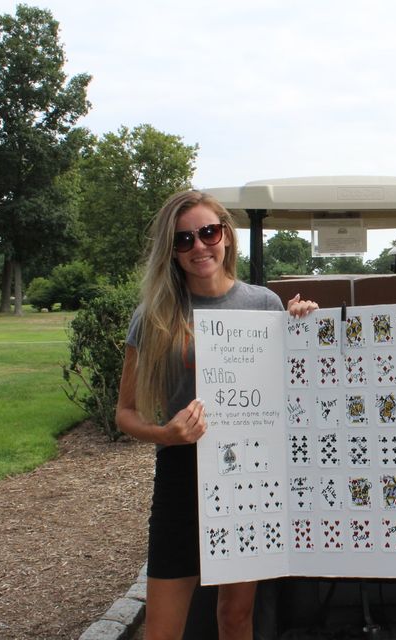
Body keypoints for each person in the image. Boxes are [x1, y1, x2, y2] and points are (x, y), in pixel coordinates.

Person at [116, 190, 318, 640]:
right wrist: (166, 434)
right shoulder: (155, 315)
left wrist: (304, 326)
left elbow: (297, 391)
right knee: (162, 631)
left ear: (226, 235)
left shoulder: (265, 305)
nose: (199, 246)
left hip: (248, 471)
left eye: (208, 232)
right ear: (171, 250)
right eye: (183, 239)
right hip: (181, 473)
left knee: (235, 616)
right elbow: (125, 413)